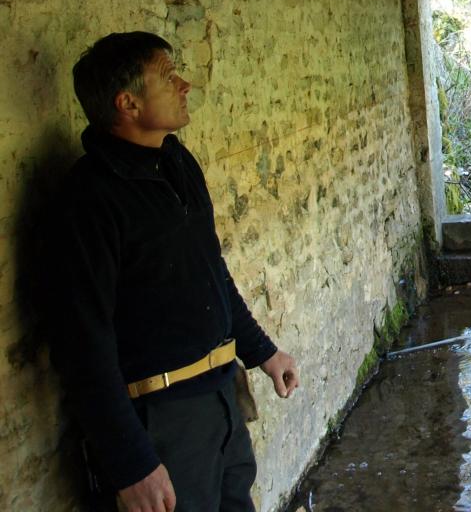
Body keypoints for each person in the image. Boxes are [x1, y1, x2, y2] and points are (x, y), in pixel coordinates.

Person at [46, 32, 299, 512]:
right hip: (161, 419)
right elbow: (82, 341)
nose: (184, 84)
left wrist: (263, 352)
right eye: (167, 76)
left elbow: (210, 274)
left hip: (221, 395)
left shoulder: (177, 163)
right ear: (128, 103)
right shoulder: (90, 200)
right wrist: (130, 463)